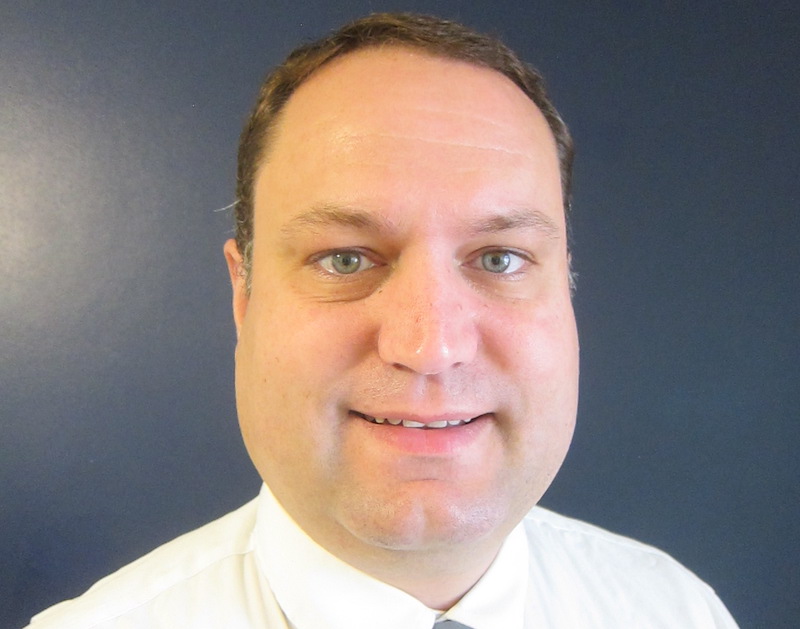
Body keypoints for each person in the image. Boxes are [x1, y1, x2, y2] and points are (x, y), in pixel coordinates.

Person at [27, 12, 738, 628]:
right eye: (344, 259)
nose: (431, 346)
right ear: (244, 295)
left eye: (499, 259)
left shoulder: (676, 609)